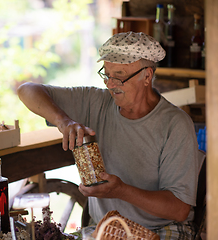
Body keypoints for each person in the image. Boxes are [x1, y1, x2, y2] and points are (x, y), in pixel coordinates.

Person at [17, 31, 200, 239]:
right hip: (105, 228)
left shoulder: (175, 125)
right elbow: (27, 90)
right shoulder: (96, 101)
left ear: (147, 76)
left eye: (120, 76)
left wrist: (121, 190)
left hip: (162, 229)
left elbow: (179, 209)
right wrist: (64, 121)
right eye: (106, 74)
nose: (110, 84)